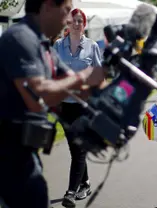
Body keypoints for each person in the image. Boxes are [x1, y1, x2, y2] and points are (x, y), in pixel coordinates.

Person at [0, 0, 106, 207]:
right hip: (8, 155)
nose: (69, 20)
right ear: (48, 6)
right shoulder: (20, 38)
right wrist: (82, 76)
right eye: (67, 11)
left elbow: (73, 86)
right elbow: (40, 95)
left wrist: (120, 91)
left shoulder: (44, 44)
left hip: (26, 152)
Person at [53, 8, 104, 207]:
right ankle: (86, 183)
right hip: (64, 105)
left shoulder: (92, 46)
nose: (76, 24)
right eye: (73, 21)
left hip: (84, 105)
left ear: (85, 24)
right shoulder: (58, 46)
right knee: (75, 148)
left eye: (80, 21)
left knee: (79, 148)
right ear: (67, 23)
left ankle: (71, 192)